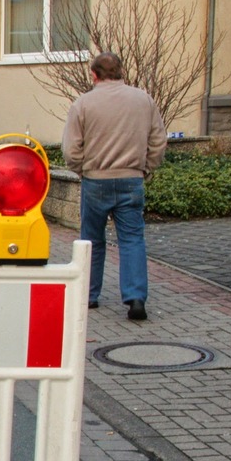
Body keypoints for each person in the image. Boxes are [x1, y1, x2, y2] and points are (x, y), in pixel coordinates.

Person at [62, 52, 166, 321]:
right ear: (121, 71)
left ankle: (89, 295)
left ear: (94, 74)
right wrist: (147, 168)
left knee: (92, 240)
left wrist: (82, 169)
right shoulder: (143, 100)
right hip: (132, 178)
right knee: (132, 238)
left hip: (96, 180)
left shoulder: (83, 104)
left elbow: (71, 150)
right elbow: (158, 140)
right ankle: (135, 297)